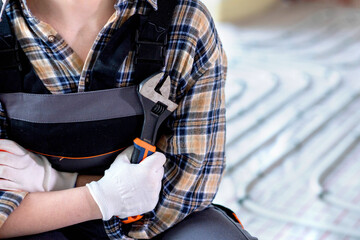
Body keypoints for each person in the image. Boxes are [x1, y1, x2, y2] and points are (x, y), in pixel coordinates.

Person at [0, 0, 258, 239]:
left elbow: (188, 186)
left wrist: (51, 185)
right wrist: (101, 198)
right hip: (35, 228)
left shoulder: (184, 20)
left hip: (159, 226)